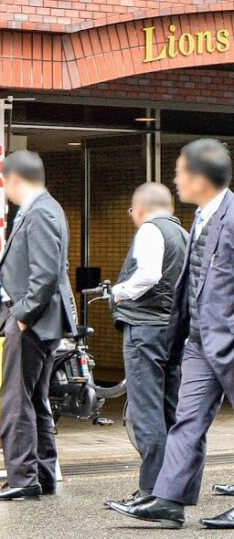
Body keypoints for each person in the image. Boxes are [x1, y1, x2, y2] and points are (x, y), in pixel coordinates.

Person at [108, 139, 234, 530]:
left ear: (200, 177)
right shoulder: (200, 216)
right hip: (199, 339)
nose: (175, 181)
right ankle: (169, 501)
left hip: (228, 336)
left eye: (180, 172)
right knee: (187, 420)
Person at [0, 150, 76, 501]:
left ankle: (21, 478)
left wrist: (21, 314)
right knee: (35, 400)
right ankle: (41, 476)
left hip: (31, 322)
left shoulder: (41, 212)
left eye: (4, 182)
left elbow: (46, 273)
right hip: (37, 321)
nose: (4, 189)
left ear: (15, 179)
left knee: (16, 401)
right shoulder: (41, 209)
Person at [105, 182, 188, 506]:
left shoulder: (150, 231)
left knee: (146, 412)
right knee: (170, 410)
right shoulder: (183, 234)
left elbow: (148, 276)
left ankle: (151, 490)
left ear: (138, 209)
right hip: (173, 330)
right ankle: (172, 489)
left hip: (145, 329)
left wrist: (118, 292)